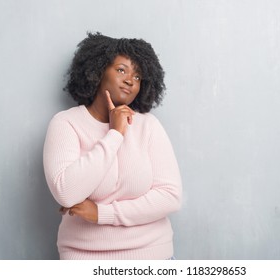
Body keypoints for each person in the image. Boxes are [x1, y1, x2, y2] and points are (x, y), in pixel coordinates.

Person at [43, 32, 182, 260]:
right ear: (97, 71)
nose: (130, 80)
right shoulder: (66, 124)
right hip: (84, 257)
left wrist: (102, 213)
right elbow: (67, 193)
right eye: (121, 70)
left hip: (152, 256)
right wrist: (115, 134)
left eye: (138, 77)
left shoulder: (148, 126)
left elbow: (170, 196)